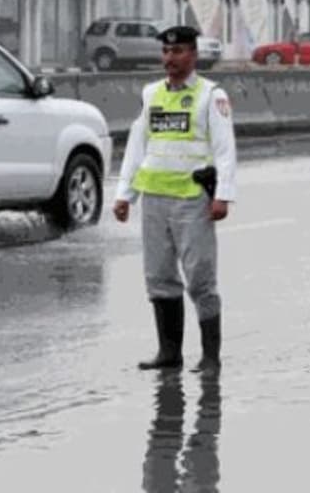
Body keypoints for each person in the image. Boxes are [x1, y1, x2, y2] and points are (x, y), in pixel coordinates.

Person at [114, 25, 237, 373]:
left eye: (179, 52)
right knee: (158, 276)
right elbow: (138, 146)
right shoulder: (151, 94)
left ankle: (210, 357)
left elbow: (225, 149)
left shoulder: (211, 95)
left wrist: (223, 196)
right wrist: (125, 194)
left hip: (192, 198)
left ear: (193, 55)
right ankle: (169, 352)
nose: (170, 58)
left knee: (200, 277)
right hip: (155, 197)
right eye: (166, 52)